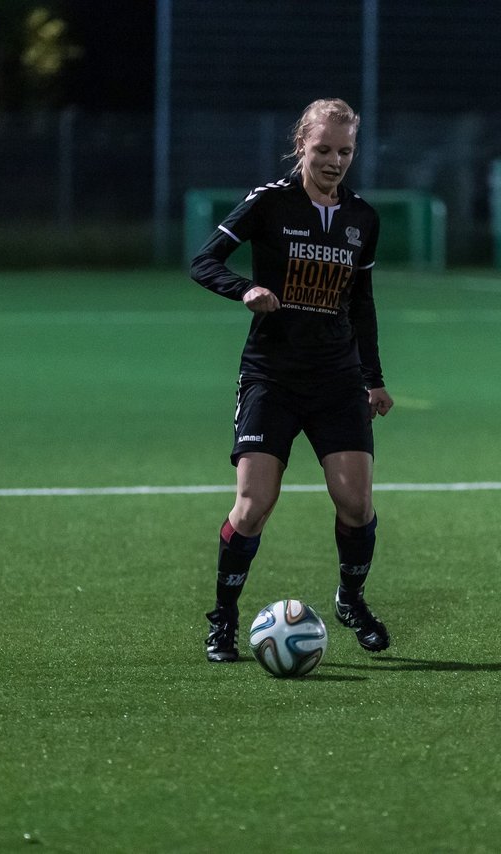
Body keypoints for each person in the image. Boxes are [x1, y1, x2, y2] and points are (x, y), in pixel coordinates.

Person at [190, 97, 395, 663]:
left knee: (355, 503)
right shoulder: (268, 203)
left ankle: (350, 600)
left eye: (345, 151)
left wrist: (373, 379)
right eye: (323, 148)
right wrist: (245, 291)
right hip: (272, 377)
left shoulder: (362, 219)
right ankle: (223, 619)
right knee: (254, 506)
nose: (334, 160)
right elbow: (204, 262)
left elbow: (363, 304)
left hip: (337, 378)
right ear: (301, 144)